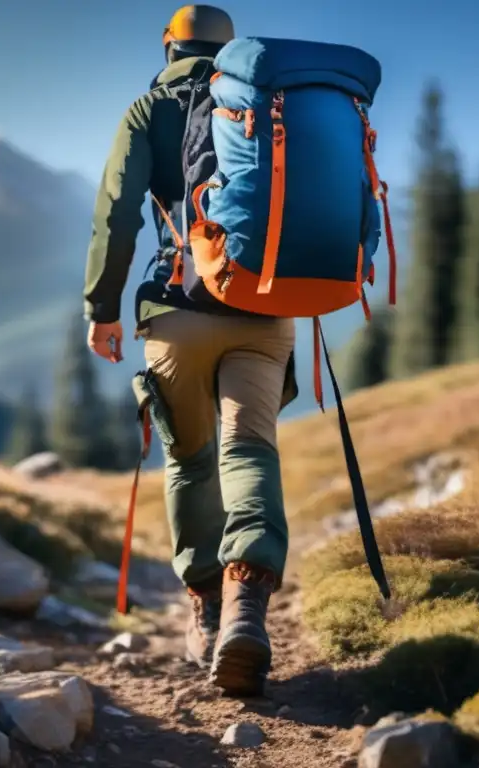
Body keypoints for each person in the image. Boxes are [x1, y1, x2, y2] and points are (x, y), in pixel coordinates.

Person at [82, 4, 297, 697]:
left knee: (191, 459)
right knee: (251, 450)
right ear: (229, 50)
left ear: (169, 45)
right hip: (266, 309)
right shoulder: (266, 104)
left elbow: (117, 215)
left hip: (180, 314)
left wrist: (102, 310)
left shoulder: (149, 110)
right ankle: (247, 609)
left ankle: (205, 610)